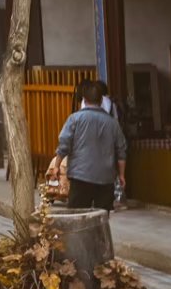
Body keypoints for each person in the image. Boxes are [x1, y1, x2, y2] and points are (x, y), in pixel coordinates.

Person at [50, 80, 126, 210]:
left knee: (77, 215)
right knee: (101, 217)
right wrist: (122, 175)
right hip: (105, 177)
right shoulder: (113, 123)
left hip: (80, 176)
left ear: (84, 99)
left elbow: (64, 145)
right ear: (101, 101)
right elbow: (121, 151)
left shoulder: (75, 119)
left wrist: (56, 166)